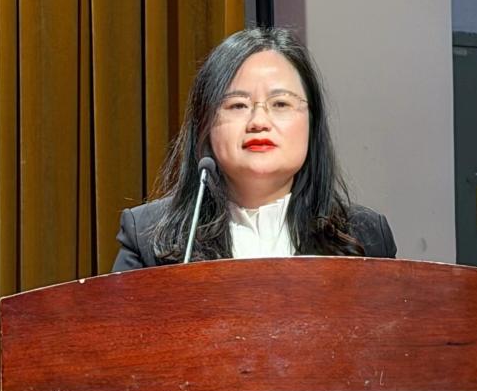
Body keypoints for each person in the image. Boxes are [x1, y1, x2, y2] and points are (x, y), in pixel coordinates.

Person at [112, 27, 396, 271]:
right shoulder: (149, 238)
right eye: (238, 105)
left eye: (280, 104)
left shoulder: (365, 238)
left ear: (312, 122)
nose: (259, 122)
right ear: (204, 126)